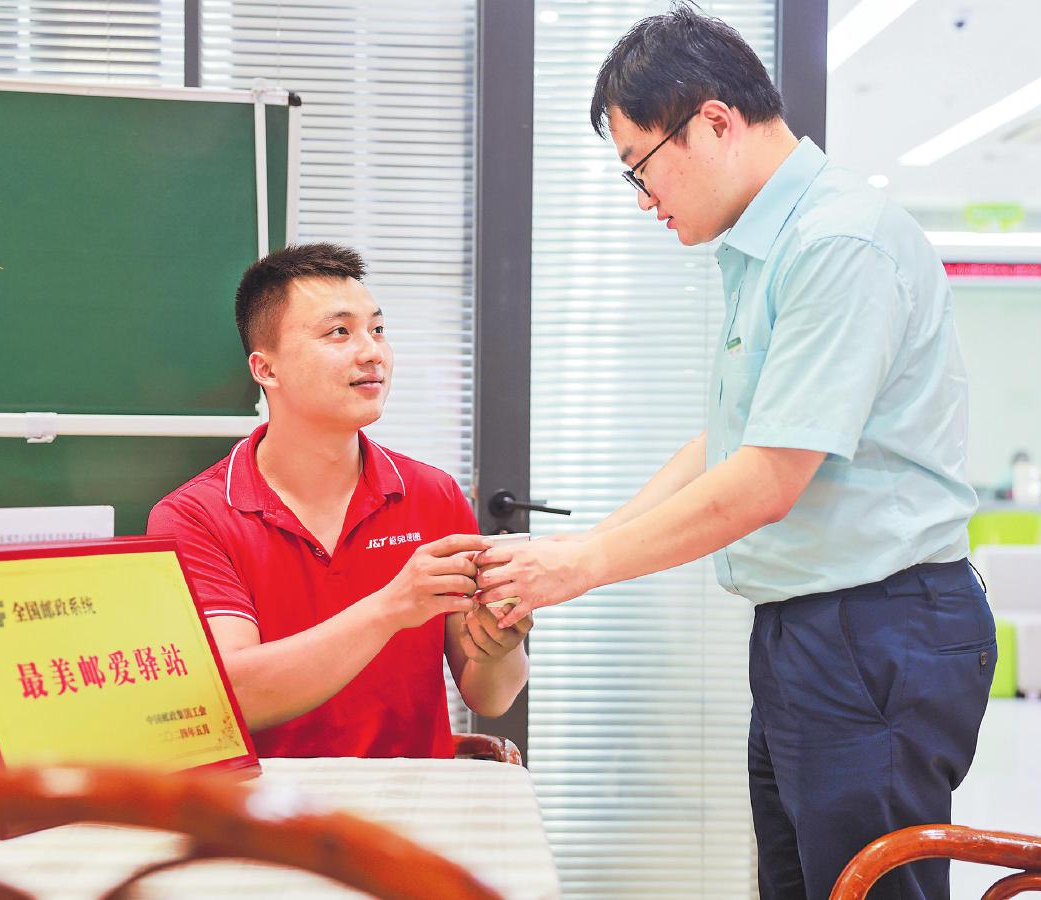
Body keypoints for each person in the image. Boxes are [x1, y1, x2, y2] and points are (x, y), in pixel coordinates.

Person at [476, 6, 993, 898]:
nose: (645, 200)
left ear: (714, 121)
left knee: (862, 887)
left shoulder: (837, 243)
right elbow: (727, 442)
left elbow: (765, 482)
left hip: (876, 626)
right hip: (812, 626)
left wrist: (583, 567)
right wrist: (577, 546)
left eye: (641, 167)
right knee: (797, 884)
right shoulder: (768, 246)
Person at [148, 242, 529, 759]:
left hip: (410, 795)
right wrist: (393, 607)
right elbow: (232, 696)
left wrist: (500, 646)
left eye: (378, 329)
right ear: (266, 369)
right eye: (339, 332)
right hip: (264, 802)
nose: (372, 352)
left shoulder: (432, 493)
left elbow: (490, 695)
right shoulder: (194, 517)